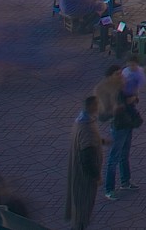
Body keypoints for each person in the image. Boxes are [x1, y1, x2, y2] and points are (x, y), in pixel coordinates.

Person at [65, 96, 104, 230]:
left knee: (80, 208)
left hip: (79, 174)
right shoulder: (87, 128)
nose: (98, 107)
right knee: (83, 208)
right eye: (97, 104)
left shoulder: (81, 122)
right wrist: (96, 176)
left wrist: (101, 141)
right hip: (84, 178)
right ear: (92, 107)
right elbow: (87, 156)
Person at [104, 86, 141, 199]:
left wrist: (134, 97)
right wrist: (126, 102)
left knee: (124, 155)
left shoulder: (127, 88)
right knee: (113, 159)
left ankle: (125, 182)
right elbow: (112, 109)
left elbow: (135, 101)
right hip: (119, 127)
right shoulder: (112, 91)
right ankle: (109, 190)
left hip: (128, 124)